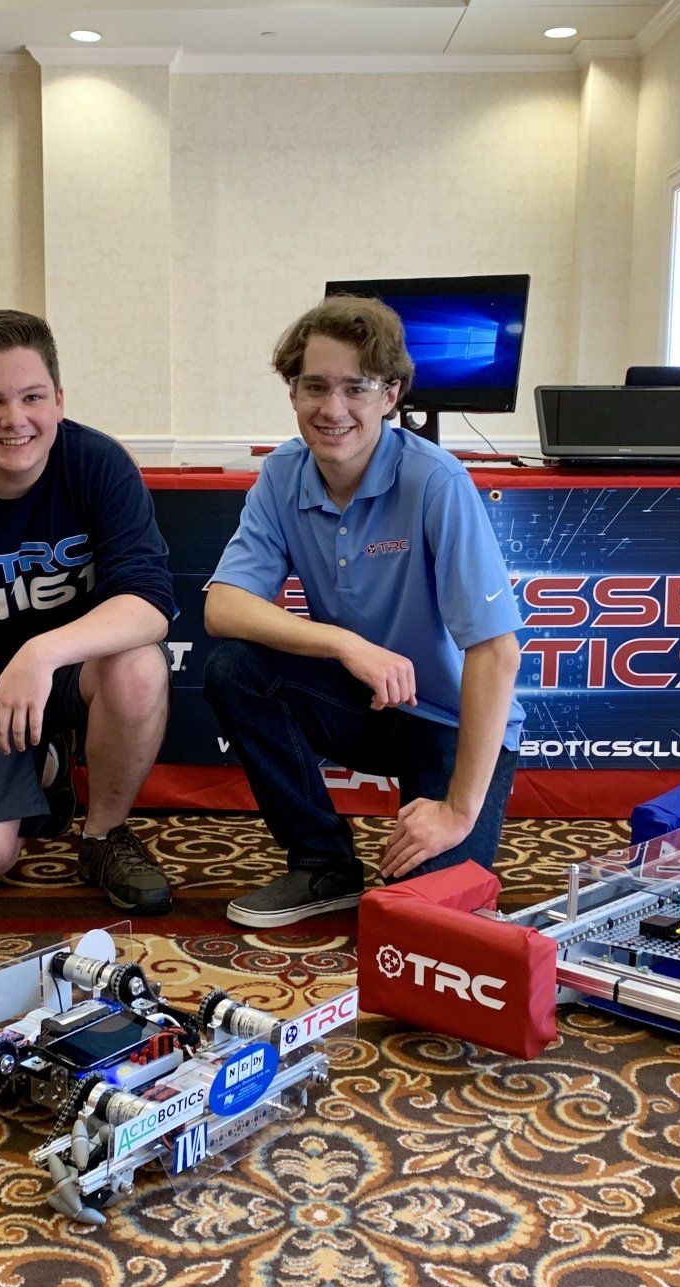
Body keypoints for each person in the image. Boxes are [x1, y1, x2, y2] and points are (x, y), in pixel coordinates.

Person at [203, 295, 524, 929]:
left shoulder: (436, 480)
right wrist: (345, 644)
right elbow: (223, 605)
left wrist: (457, 811)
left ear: (391, 395)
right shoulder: (282, 475)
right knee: (235, 668)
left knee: (421, 925)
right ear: (292, 393)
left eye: (357, 387)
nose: (333, 408)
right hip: (368, 700)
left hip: (452, 724)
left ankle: (448, 821)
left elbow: (496, 653)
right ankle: (324, 864)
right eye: (314, 386)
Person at [0, 308, 176, 914]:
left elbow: (149, 604)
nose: (14, 420)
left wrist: (39, 653)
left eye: (32, 397)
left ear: (60, 400)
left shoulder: (99, 464)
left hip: (70, 671)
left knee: (140, 666)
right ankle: (41, 767)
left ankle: (102, 835)